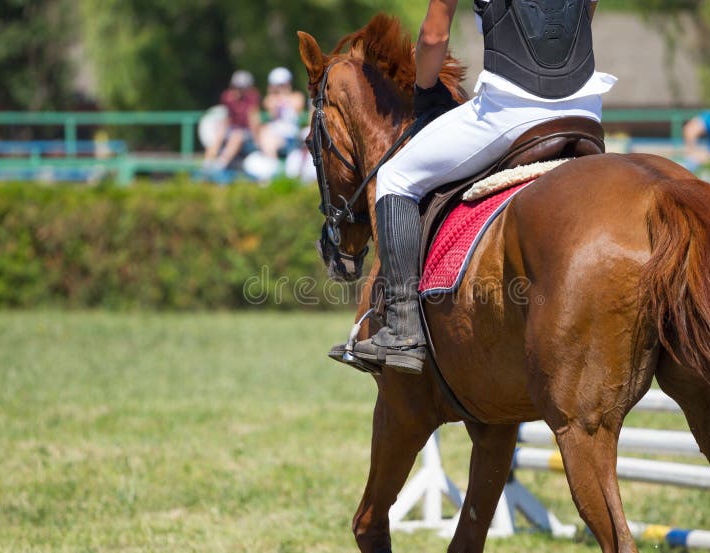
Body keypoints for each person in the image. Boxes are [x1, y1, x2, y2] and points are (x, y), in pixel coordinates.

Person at [351, 0, 616, 374]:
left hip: (511, 109)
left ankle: (403, 328)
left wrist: (425, 88)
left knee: (395, 177)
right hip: (587, 108)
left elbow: (433, 36)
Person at [204, 70, 261, 170]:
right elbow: (227, 119)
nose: (238, 91)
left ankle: (219, 165)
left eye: (241, 88)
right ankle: (207, 164)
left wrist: (258, 141)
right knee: (219, 133)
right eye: (236, 87)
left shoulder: (252, 97)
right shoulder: (227, 97)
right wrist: (220, 133)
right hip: (233, 130)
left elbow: (254, 120)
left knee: (237, 135)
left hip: (246, 133)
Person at [258, 67, 306, 159]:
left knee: (267, 136)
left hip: (291, 133)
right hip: (275, 132)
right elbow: (272, 112)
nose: (280, 87)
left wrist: (283, 95)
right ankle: (272, 162)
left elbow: (297, 107)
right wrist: (275, 94)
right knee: (265, 133)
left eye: (282, 85)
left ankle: (272, 163)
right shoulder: (270, 99)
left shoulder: (297, 96)